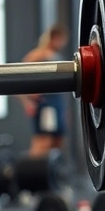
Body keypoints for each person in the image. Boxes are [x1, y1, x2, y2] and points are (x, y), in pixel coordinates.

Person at [20, 23, 70, 157]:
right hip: (46, 104)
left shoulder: (55, 55)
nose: (63, 43)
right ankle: (33, 174)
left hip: (57, 102)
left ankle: (51, 174)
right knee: (43, 141)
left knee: (58, 141)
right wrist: (28, 101)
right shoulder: (38, 54)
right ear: (54, 38)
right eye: (61, 39)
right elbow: (19, 76)